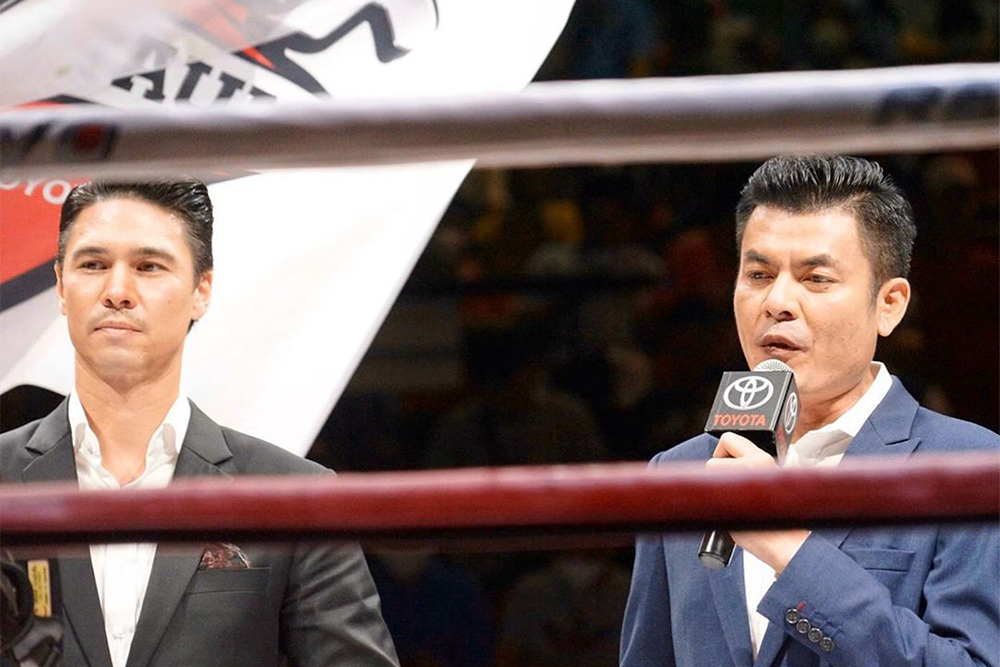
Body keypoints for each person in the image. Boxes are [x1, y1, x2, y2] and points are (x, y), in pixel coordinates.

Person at [619, 155, 999, 667]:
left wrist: (789, 548)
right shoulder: (677, 473)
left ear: (889, 304)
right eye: (758, 273)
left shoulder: (973, 466)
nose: (777, 301)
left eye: (815, 279)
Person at [0, 181, 399, 667]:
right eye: (94, 265)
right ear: (62, 287)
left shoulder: (297, 495)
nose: (118, 292)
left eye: (149, 266)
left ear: (200, 290)